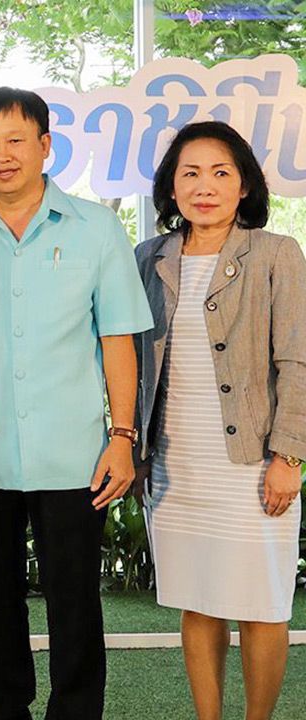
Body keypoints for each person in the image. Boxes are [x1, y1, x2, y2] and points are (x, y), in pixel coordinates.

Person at [0, 87, 153, 720]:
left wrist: (122, 438)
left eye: (16, 140)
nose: (2, 155)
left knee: (75, 602)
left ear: (46, 146)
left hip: (76, 456)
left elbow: (117, 338)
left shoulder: (95, 228)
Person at [135, 121, 306, 720]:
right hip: (175, 465)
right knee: (198, 599)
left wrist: (289, 456)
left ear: (244, 186)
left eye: (220, 172)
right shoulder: (148, 258)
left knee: (262, 604)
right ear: (171, 188)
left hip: (253, 464)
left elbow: (298, 358)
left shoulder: (276, 254)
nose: (204, 186)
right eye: (190, 173)